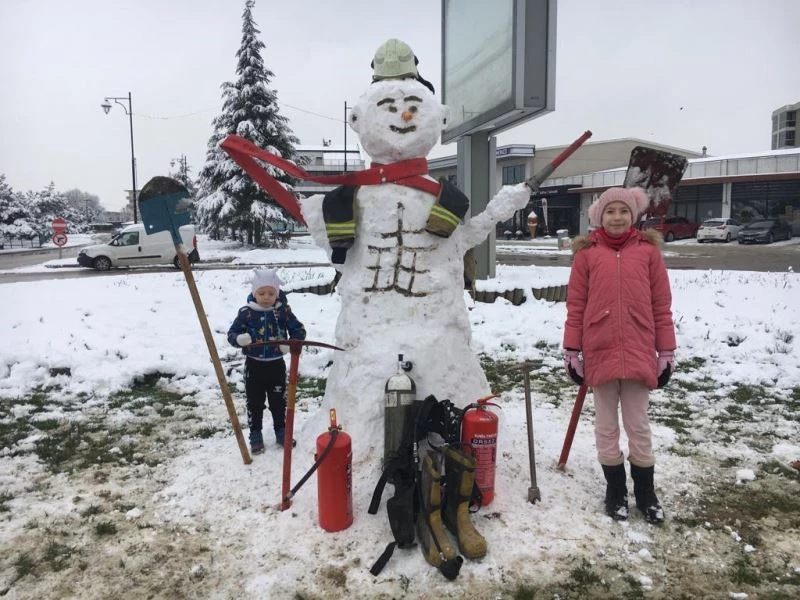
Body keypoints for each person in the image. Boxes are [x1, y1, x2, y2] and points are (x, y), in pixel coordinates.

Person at [562, 187, 676, 524]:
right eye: (610, 211)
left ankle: (645, 493)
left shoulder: (648, 253)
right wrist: (572, 350)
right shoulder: (586, 255)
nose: (617, 217)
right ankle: (615, 490)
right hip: (600, 348)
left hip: (640, 347)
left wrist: (666, 351)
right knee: (606, 425)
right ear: (599, 216)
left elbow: (661, 305)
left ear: (634, 215)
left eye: (623, 211)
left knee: (638, 425)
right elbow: (576, 306)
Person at [227, 269, 306, 454]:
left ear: (277, 293)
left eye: (271, 293)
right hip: (254, 366)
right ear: (254, 293)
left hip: (276, 365)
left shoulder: (282, 312)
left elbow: (299, 330)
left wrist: (291, 343)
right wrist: (240, 339)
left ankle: (281, 431)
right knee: (255, 402)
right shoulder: (246, 313)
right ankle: (255, 434)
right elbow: (232, 334)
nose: (266, 297)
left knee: (278, 401)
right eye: (261, 293)